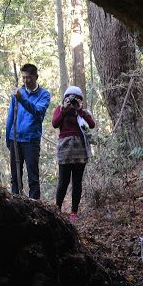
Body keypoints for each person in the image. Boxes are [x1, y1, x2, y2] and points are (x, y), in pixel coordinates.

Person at [5, 63, 51, 199]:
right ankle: (15, 202)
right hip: (15, 139)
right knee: (15, 175)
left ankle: (34, 205)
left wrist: (21, 98)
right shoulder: (18, 93)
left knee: (33, 176)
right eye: (24, 78)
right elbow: (10, 117)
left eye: (29, 78)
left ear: (36, 77)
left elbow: (37, 111)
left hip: (31, 140)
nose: (26, 81)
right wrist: (8, 137)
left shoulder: (44, 95)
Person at [51, 85, 96, 222]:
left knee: (77, 181)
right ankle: (57, 209)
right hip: (65, 149)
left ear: (80, 100)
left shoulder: (82, 112)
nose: (72, 101)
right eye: (69, 98)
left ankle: (74, 212)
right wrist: (64, 110)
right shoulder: (60, 109)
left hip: (80, 150)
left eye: (76, 98)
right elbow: (55, 123)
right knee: (63, 181)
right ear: (64, 99)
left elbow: (92, 125)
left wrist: (81, 110)